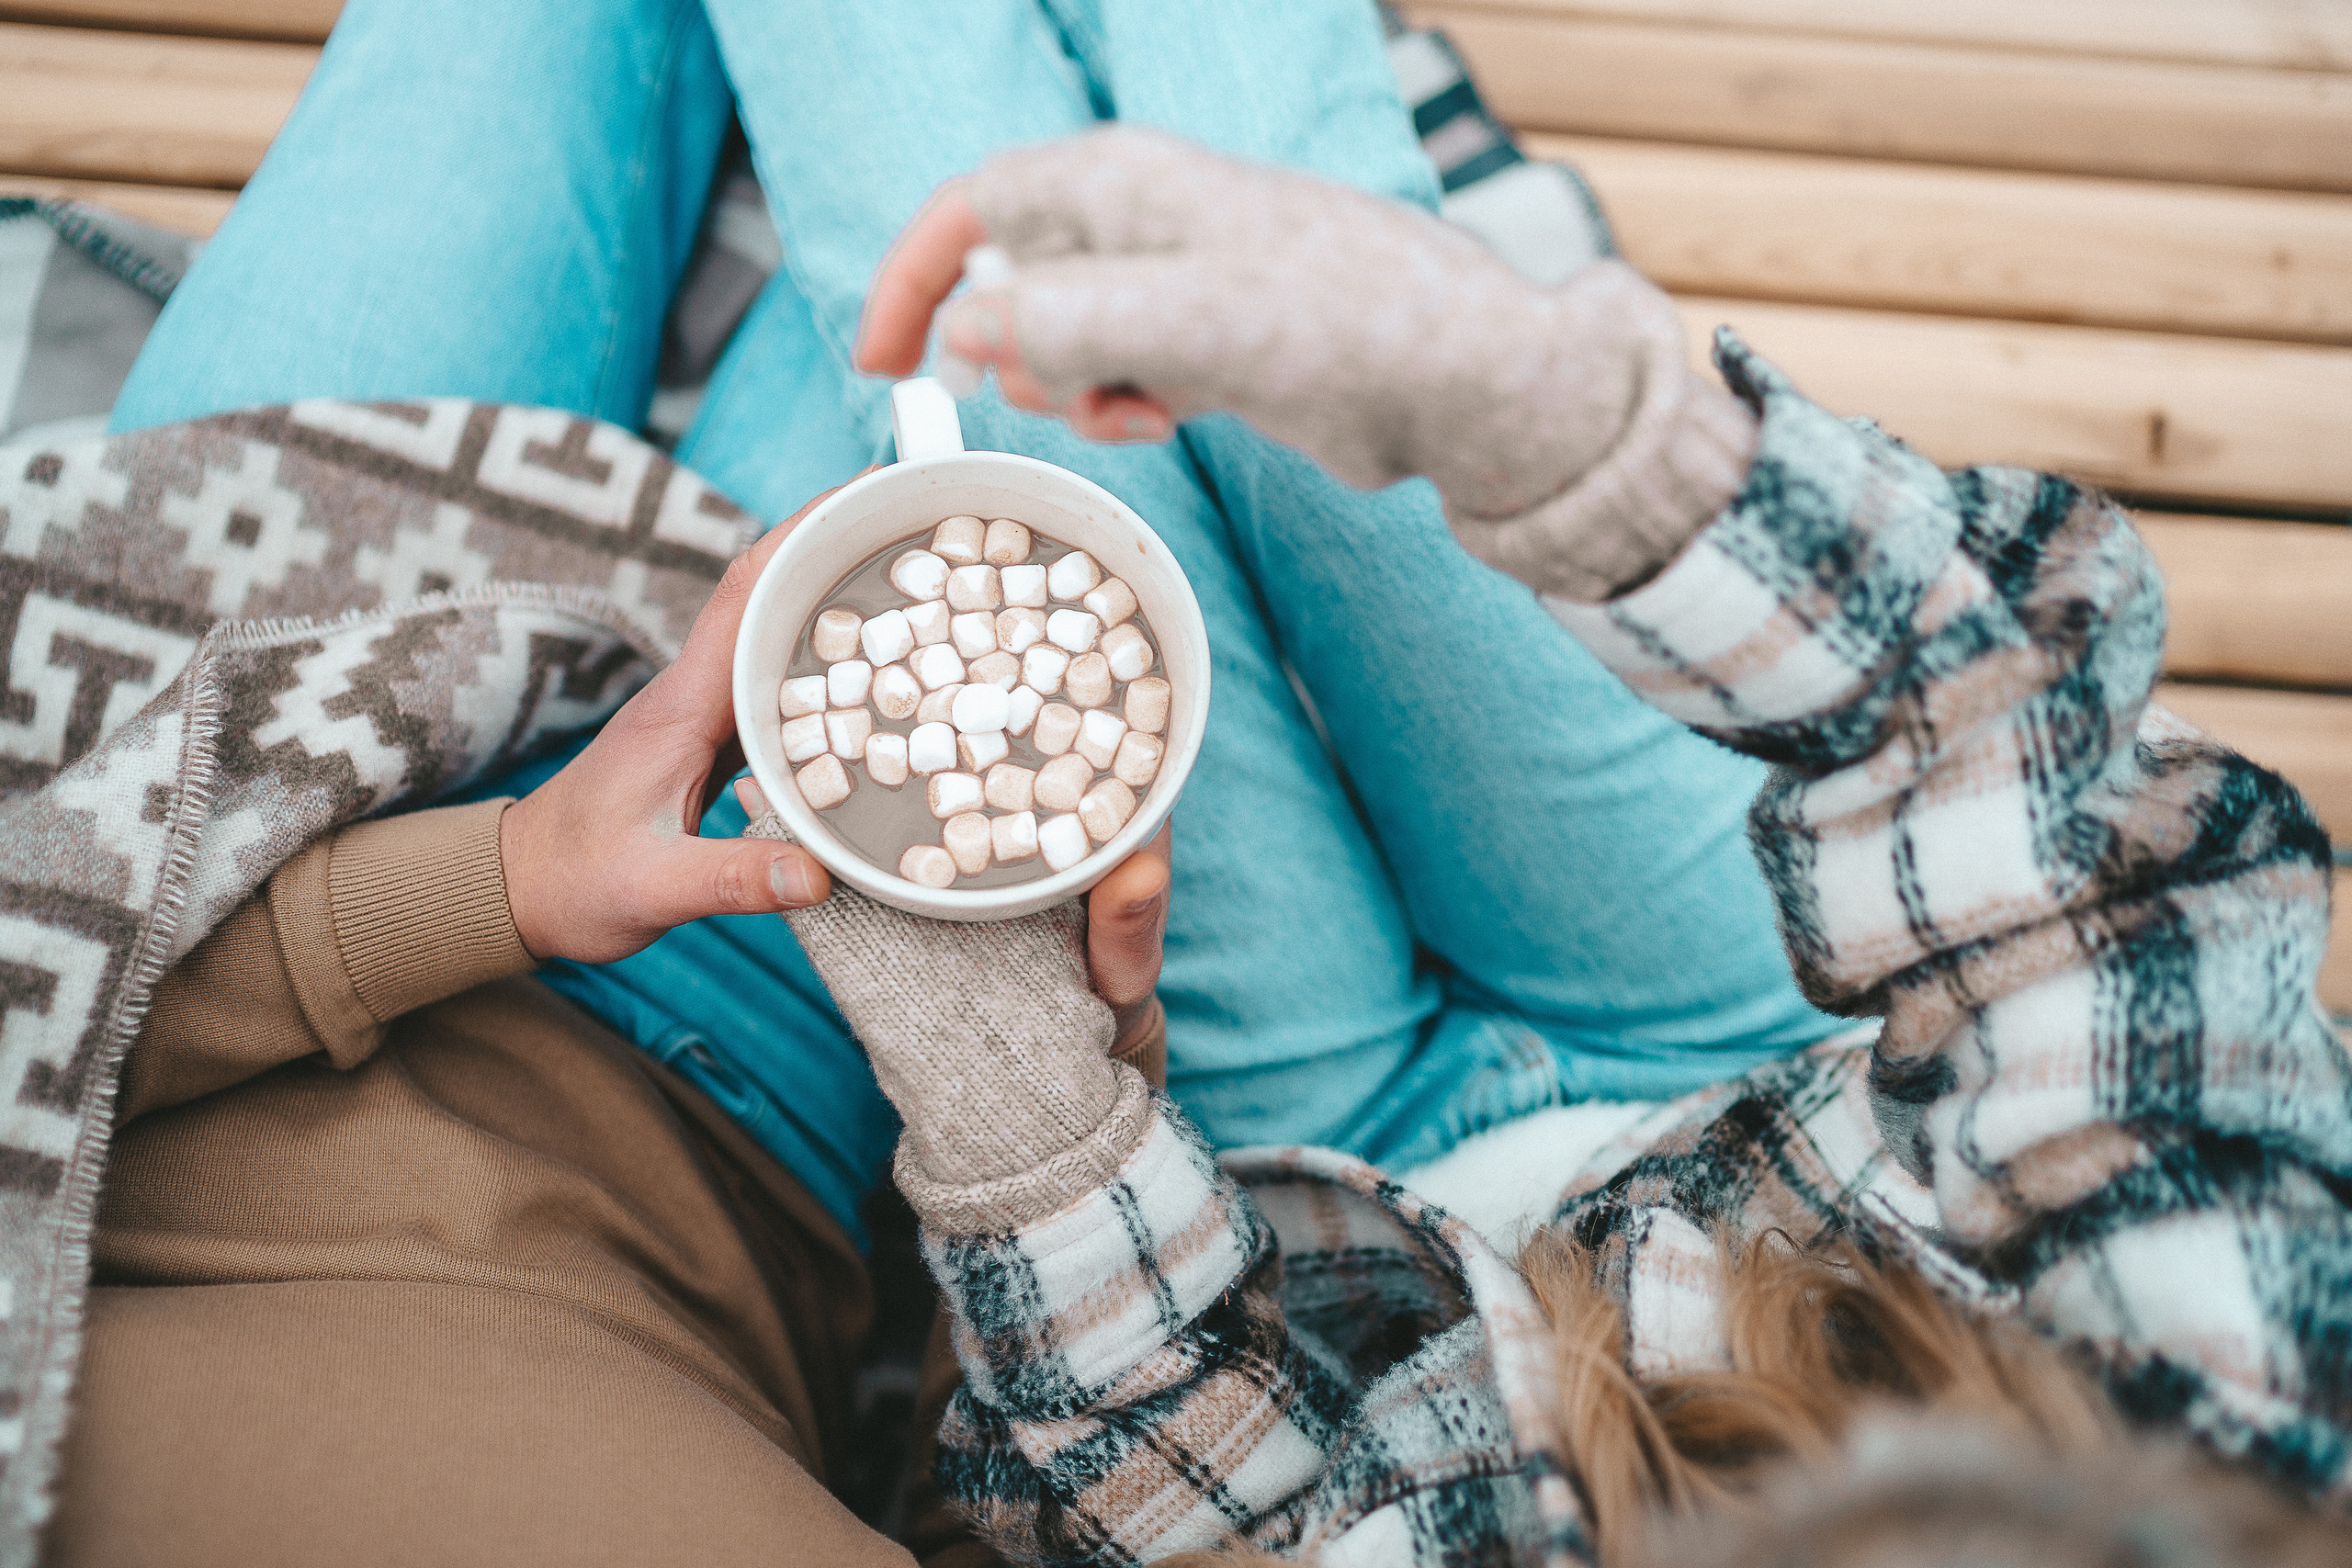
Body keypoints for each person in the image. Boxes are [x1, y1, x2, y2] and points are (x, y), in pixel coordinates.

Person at [763, 128, 2349, 1564]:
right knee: (1267, 231)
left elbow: (1186, 1518)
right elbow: (2066, 844)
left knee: (998, 388)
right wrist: (1575, 432)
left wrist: (1019, 1113)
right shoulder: (2258, 1386)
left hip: (1312, 1190)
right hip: (1741, 1003)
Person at [107, 0, 1842, 1266]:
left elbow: (1087, 1471)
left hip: (1310, 1214)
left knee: (985, 370)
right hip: (1772, 1042)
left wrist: (1057, 1101)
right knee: (1279, 276)